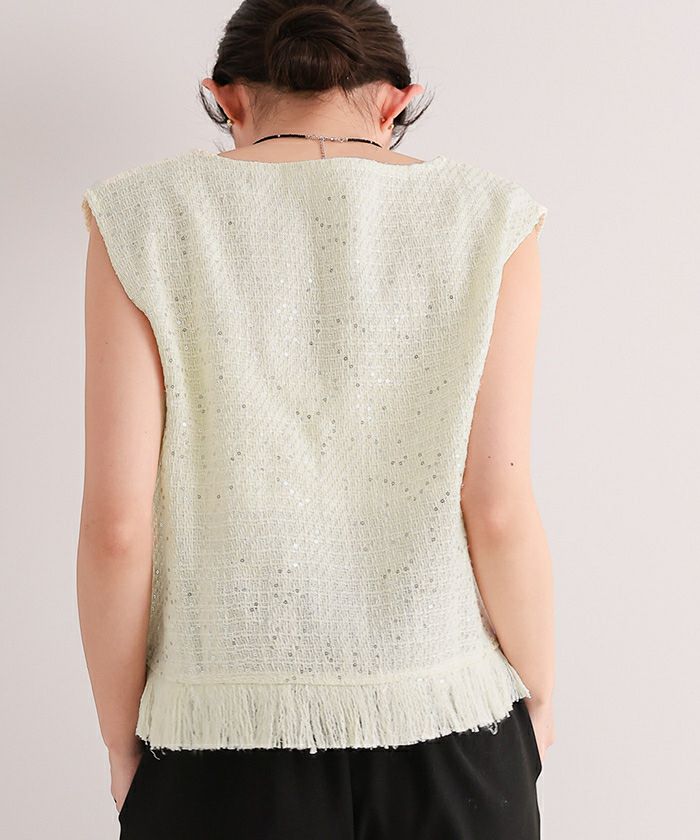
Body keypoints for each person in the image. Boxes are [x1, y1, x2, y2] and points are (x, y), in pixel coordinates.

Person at [76, 1, 555, 838]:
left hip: (216, 739)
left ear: (225, 98)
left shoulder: (140, 217)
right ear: (397, 102)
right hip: (452, 727)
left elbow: (118, 529)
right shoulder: (489, 220)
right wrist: (535, 706)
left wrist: (123, 746)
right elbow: (499, 508)